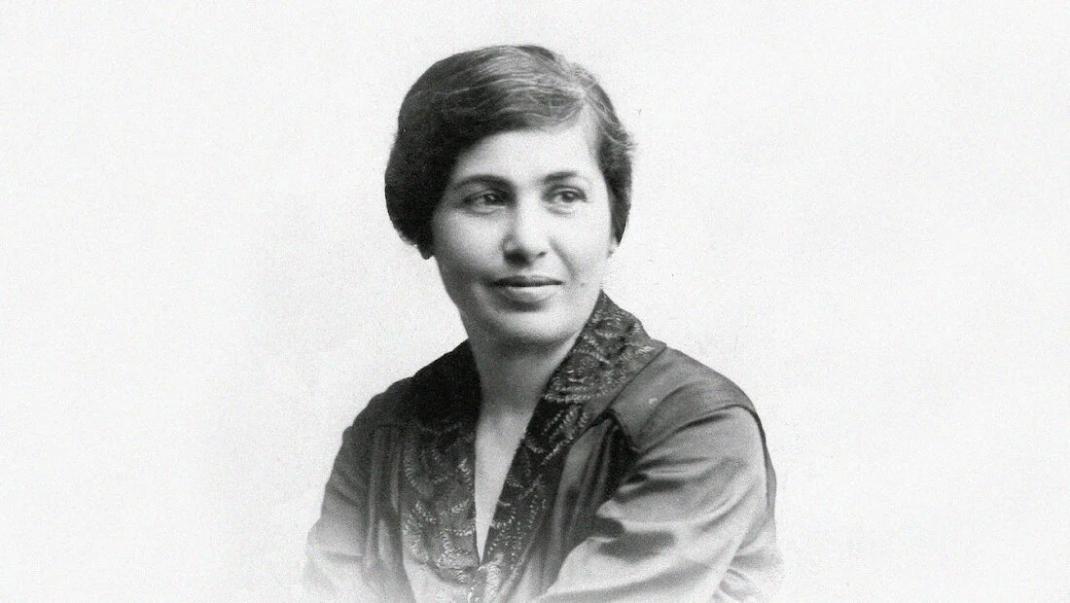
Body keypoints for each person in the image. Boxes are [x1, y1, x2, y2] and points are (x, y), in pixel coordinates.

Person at [304, 45, 781, 602]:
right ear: (424, 225)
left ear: (613, 224)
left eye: (565, 196)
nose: (527, 241)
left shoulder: (696, 426)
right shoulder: (384, 435)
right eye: (486, 198)